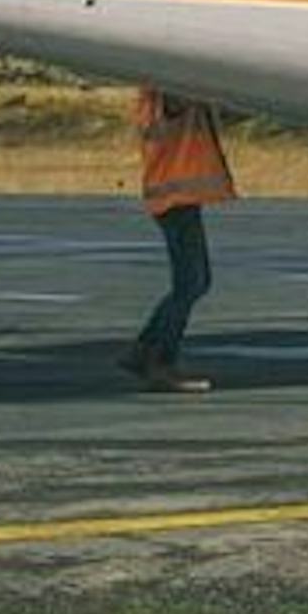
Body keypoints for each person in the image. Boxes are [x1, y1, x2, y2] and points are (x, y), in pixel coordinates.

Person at [122, 87, 237, 392]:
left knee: (193, 283)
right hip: (175, 198)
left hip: (175, 198)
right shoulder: (168, 92)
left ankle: (145, 349)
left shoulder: (156, 96)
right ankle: (161, 360)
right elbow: (182, 100)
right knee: (191, 284)